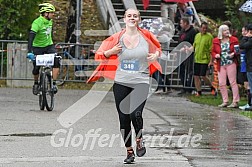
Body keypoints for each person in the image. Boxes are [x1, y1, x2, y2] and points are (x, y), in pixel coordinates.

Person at [87, 8, 162, 163]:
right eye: (129, 16)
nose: (132, 18)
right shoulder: (117, 37)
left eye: (135, 16)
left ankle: (139, 139)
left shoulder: (146, 36)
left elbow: (158, 50)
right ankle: (129, 151)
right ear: (124, 19)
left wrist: (155, 55)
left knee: (136, 113)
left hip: (141, 81)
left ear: (139, 19)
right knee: (124, 118)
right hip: (121, 81)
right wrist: (111, 51)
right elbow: (99, 55)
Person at [27, 3, 59, 95]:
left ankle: (53, 84)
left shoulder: (50, 21)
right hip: (37, 47)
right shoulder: (37, 22)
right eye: (51, 12)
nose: (53, 14)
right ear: (45, 14)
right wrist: (30, 51)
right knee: (36, 68)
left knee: (56, 61)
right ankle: (36, 84)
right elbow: (31, 37)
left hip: (49, 46)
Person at [211, 24, 240, 108]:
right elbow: (212, 51)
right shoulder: (216, 40)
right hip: (221, 63)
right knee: (221, 83)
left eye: (227, 30)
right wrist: (215, 55)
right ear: (221, 32)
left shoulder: (234, 39)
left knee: (232, 82)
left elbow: (238, 51)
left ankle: (235, 101)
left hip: (231, 62)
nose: (227, 32)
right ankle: (225, 101)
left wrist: (233, 53)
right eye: (225, 30)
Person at [186, 22, 216, 96]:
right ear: (200, 28)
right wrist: (188, 49)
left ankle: (212, 87)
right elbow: (194, 46)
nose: (204, 29)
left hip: (205, 59)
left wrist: (211, 61)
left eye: (206, 28)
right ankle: (198, 91)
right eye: (203, 28)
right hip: (197, 58)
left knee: (203, 75)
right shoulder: (197, 36)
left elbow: (211, 50)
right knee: (196, 75)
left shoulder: (209, 37)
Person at [178, 17, 197, 95]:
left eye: (181, 23)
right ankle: (184, 86)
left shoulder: (193, 32)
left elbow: (194, 43)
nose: (180, 24)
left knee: (189, 70)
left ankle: (190, 86)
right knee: (181, 70)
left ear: (186, 23)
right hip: (181, 53)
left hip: (189, 53)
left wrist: (189, 48)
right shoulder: (182, 31)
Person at [240, 23, 252, 111]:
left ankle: (250, 104)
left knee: (251, 85)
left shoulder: (250, 40)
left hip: (250, 66)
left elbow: (242, 45)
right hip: (249, 65)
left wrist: (246, 37)